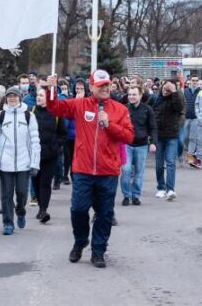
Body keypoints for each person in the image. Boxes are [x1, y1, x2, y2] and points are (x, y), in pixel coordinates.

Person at [45, 69, 134, 268]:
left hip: (108, 171)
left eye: (107, 85)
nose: (104, 88)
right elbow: (55, 107)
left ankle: (98, 250)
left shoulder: (119, 109)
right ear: (91, 87)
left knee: (104, 214)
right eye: (100, 85)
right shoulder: (80, 104)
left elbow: (129, 136)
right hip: (83, 170)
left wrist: (109, 124)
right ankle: (80, 240)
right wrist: (51, 88)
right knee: (78, 209)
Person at [0, 87, 40, 235]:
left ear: (20, 97)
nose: (12, 99)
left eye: (15, 96)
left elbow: (34, 140)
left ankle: (21, 210)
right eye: (10, 96)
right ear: (6, 98)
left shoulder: (28, 116)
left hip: (23, 162)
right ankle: (8, 222)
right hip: (5, 162)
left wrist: (34, 162)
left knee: (21, 193)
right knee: (6, 194)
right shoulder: (0, 116)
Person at [32, 88, 67, 223]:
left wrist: (55, 146)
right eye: (37, 95)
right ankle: (40, 206)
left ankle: (43, 210)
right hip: (34, 155)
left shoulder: (56, 113)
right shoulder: (31, 111)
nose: (38, 97)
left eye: (41, 95)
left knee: (45, 183)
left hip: (50, 155)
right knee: (36, 182)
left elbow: (63, 134)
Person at [122, 85, 157, 205]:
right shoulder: (124, 109)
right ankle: (126, 195)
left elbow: (153, 128)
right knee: (126, 170)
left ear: (140, 95)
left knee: (139, 172)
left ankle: (136, 196)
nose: (131, 97)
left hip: (141, 146)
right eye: (130, 94)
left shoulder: (147, 109)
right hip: (126, 145)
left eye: (134, 94)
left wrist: (153, 142)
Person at [152, 79, 184, 200]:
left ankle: (170, 189)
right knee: (159, 164)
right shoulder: (156, 99)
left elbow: (180, 108)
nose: (165, 91)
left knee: (170, 163)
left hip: (172, 135)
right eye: (164, 89)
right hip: (158, 136)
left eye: (168, 90)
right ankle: (161, 187)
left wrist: (174, 91)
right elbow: (149, 110)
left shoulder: (176, 99)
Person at [184, 75, 200, 166]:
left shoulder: (201, 92)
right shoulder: (185, 91)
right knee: (185, 137)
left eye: (196, 80)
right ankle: (191, 152)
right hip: (186, 117)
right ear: (189, 81)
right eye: (193, 80)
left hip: (195, 118)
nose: (194, 82)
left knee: (192, 138)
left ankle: (190, 157)